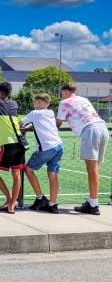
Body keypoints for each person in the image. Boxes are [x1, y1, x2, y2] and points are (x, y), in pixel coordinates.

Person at [56, 82, 109, 215]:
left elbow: (58, 123)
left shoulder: (65, 102)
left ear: (66, 92)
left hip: (90, 130)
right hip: (103, 128)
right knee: (95, 167)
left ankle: (93, 205)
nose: (62, 96)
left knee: (92, 168)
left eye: (62, 93)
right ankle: (92, 201)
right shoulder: (84, 99)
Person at [19, 93, 64, 214]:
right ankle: (52, 204)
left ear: (38, 104)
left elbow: (19, 124)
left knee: (28, 170)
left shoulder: (34, 113)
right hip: (59, 145)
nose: (34, 105)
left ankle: (40, 198)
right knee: (53, 174)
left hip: (46, 148)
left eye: (35, 103)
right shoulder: (50, 113)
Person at [0, 81, 25, 214]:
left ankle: (9, 199)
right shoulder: (14, 104)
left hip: (7, 143)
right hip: (19, 142)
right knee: (16, 174)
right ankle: (12, 205)